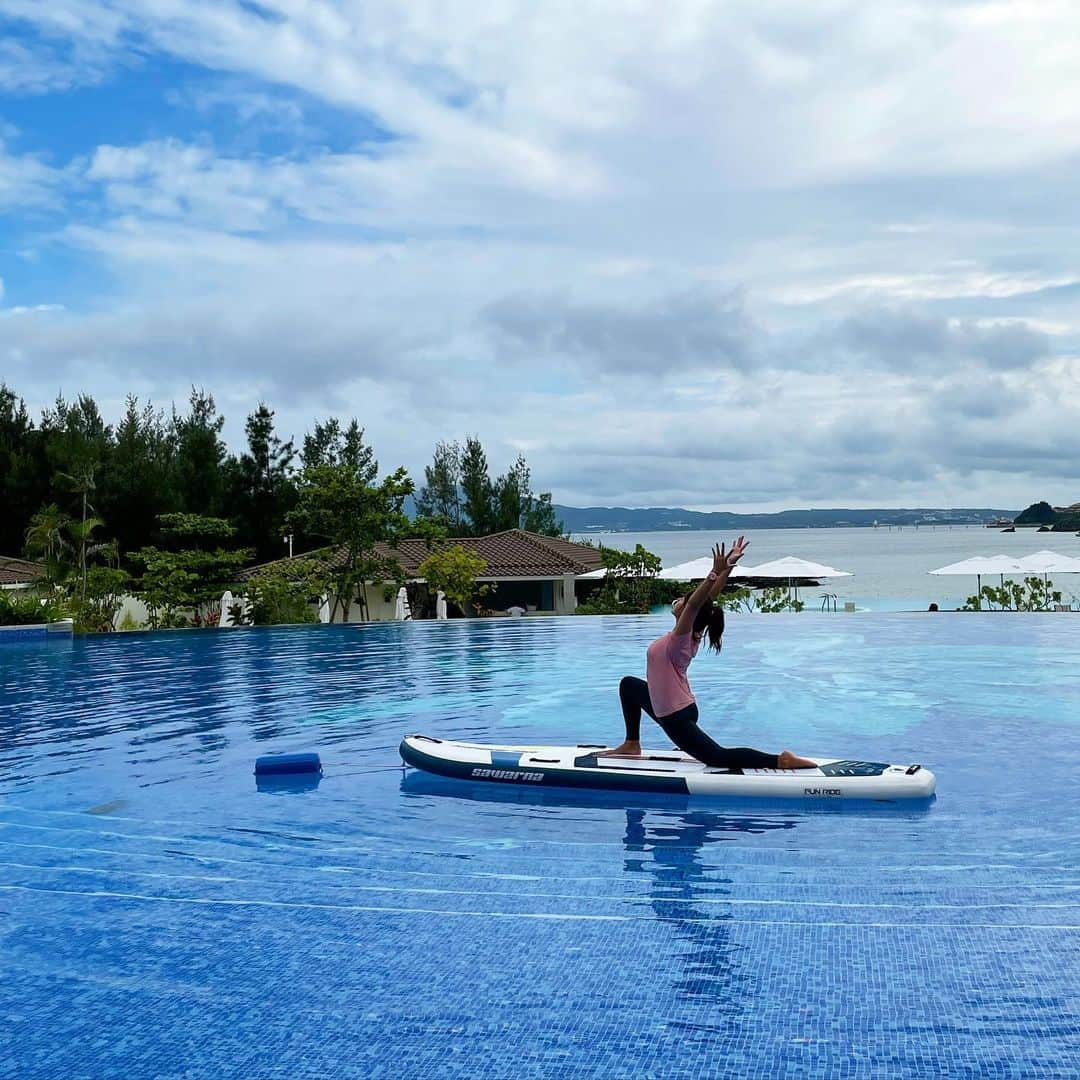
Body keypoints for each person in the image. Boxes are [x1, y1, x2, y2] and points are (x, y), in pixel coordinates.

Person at [610, 538, 816, 771]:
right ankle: (631, 743)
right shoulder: (690, 633)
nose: (677, 601)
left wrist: (713, 572)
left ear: (687, 612)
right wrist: (728, 566)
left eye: (683, 602)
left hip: (674, 716)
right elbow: (705, 601)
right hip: (672, 705)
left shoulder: (680, 639)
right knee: (629, 686)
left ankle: (780, 760)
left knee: (717, 757)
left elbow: (696, 603)